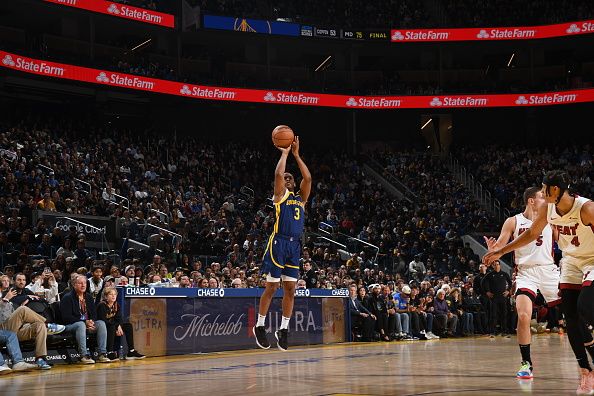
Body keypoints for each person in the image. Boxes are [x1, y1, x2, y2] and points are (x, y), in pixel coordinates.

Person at [484, 170, 594, 394]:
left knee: (582, 310)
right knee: (551, 316)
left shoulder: (582, 208)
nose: (543, 194)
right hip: (549, 266)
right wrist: (499, 251)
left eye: (546, 190)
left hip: (573, 264)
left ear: (556, 190)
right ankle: (580, 370)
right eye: (541, 192)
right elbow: (530, 234)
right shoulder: (530, 215)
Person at [484, 186, 560, 379]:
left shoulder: (551, 217)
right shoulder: (513, 221)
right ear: (531, 201)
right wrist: (495, 249)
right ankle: (526, 363)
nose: (547, 199)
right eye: (542, 197)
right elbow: (502, 243)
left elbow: (563, 240)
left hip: (550, 270)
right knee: (524, 315)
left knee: (577, 310)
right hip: (526, 272)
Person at [253, 134, 311, 352]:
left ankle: (283, 329)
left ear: (294, 183)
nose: (286, 180)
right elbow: (278, 173)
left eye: (290, 179)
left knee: (290, 289)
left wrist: (296, 155)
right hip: (278, 243)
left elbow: (308, 179)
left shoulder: (300, 200)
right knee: (272, 286)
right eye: (284, 179)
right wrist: (285, 153)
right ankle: (259, 325)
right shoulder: (280, 197)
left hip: (295, 246)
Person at [59, 275, 110, 364]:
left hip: (86, 324)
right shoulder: (67, 298)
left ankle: (102, 353)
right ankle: (83, 355)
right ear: (74, 285)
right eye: (80, 283)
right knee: (80, 324)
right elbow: (66, 317)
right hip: (71, 325)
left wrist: (91, 322)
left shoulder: (89, 297)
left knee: (101, 323)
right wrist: (84, 322)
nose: (83, 285)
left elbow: (94, 314)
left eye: (85, 283)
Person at [97, 287, 145, 360]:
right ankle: (110, 352)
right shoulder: (102, 305)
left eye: (114, 294)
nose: (113, 296)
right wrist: (117, 326)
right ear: (106, 296)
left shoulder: (116, 305)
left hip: (113, 325)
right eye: (111, 294)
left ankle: (131, 351)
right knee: (112, 326)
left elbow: (120, 319)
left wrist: (119, 326)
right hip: (103, 326)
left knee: (128, 326)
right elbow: (103, 320)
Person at [481, 261, 512, 336]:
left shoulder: (504, 274)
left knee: (504, 314)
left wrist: (508, 291)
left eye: (497, 264)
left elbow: (510, 283)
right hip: (494, 297)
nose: (496, 266)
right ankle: (493, 331)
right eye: (495, 265)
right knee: (493, 315)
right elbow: (482, 282)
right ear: (492, 266)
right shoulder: (490, 274)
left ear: (500, 265)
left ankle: (504, 331)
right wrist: (487, 292)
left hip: (503, 297)